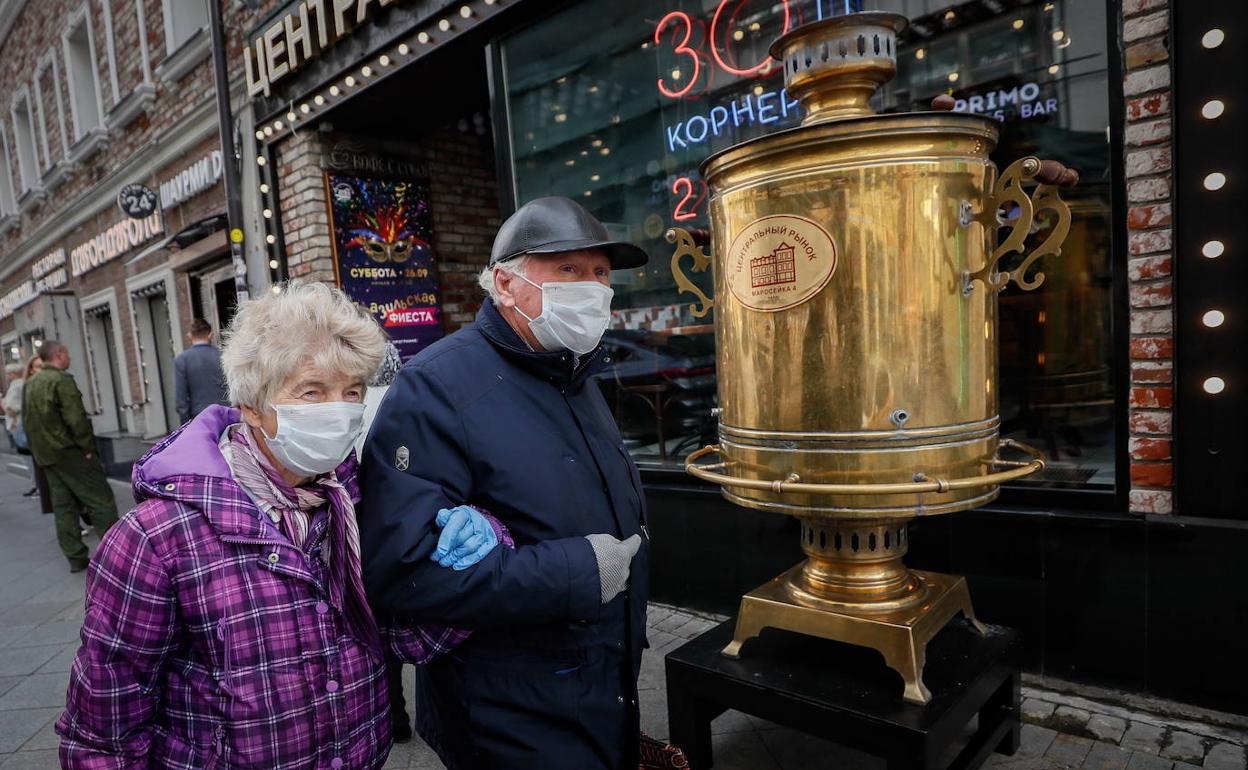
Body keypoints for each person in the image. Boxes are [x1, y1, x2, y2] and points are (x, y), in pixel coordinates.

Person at [57, 281, 509, 769]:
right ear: (252, 405)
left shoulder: (355, 505)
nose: (338, 409)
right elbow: (104, 731)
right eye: (312, 391)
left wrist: (480, 550)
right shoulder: (156, 539)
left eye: (351, 391)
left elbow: (401, 637)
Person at [359, 196, 652, 770]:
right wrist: (576, 573)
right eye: (568, 270)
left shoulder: (576, 373)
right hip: (508, 711)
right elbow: (403, 573)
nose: (591, 288)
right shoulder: (436, 387)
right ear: (504, 283)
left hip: (601, 683)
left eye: (599, 273)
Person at [22, 341, 118, 571]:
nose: (69, 358)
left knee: (63, 506)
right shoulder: (61, 380)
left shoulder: (31, 383)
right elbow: (76, 419)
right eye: (67, 353)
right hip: (70, 452)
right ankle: (117, 554)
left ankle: (75, 557)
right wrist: (86, 448)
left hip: (47, 455)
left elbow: (28, 420)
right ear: (59, 354)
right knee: (100, 501)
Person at [173, 317, 228, 424]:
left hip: (200, 418)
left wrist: (186, 425)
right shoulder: (224, 355)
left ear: (190, 336)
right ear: (211, 334)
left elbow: (181, 401)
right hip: (227, 414)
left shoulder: (182, 360)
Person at [3, 356, 43, 497]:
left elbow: (13, 408)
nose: (7, 376)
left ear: (15, 373)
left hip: (19, 425)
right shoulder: (17, 385)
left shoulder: (18, 385)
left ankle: (38, 486)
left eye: (8, 373)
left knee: (28, 457)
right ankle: (36, 485)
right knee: (28, 457)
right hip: (18, 424)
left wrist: (4, 405)